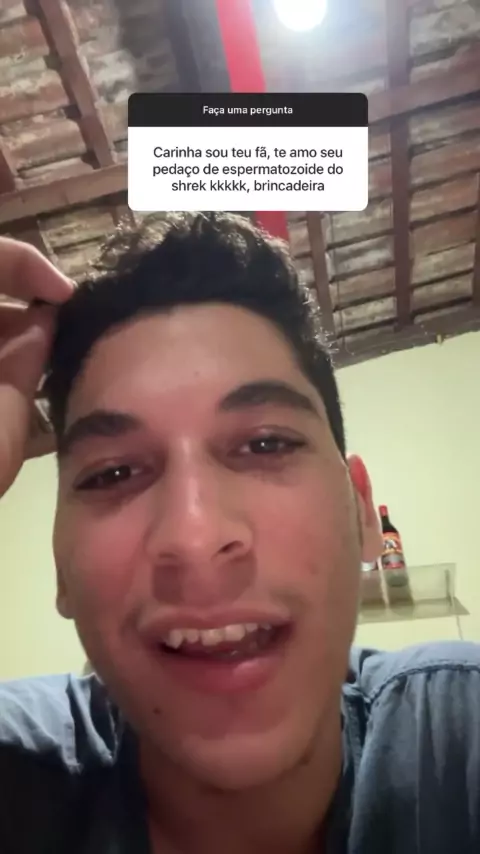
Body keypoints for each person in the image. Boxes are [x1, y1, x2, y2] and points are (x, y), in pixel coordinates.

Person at [0, 212, 479, 854]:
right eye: (113, 473)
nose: (195, 535)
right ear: (60, 569)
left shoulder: (461, 737)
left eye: (265, 443)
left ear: (363, 512)